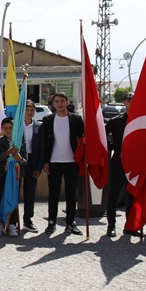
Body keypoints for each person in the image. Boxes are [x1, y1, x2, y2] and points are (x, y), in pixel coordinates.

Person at [40, 92, 84, 235]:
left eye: (62, 101)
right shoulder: (47, 120)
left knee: (71, 194)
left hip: (72, 162)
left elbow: (83, 139)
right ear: (53, 104)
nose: (59, 104)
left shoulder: (76, 119)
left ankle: (70, 222)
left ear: (67, 103)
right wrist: (45, 161)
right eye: (57, 101)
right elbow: (45, 143)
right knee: (54, 194)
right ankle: (51, 222)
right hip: (54, 162)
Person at [103, 94, 134, 238]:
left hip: (134, 163)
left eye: (133, 100)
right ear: (124, 102)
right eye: (128, 100)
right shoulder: (116, 121)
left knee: (132, 194)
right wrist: (113, 146)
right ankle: (111, 225)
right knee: (113, 194)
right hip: (119, 161)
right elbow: (102, 135)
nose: (131, 102)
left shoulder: (140, 121)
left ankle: (130, 225)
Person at [0, 117, 26, 236]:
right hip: (2, 174)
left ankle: (12, 225)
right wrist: (8, 153)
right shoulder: (0, 142)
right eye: (5, 128)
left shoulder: (20, 141)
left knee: (13, 198)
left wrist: (20, 159)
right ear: (2, 129)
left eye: (10, 128)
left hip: (16, 176)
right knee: (0, 198)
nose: (8, 130)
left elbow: (25, 160)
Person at [22, 101, 44, 232]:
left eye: (32, 110)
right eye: (27, 110)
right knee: (13, 190)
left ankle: (28, 220)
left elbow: (42, 148)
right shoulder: (16, 125)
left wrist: (39, 167)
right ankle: (12, 220)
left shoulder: (39, 127)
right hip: (19, 160)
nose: (30, 112)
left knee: (30, 193)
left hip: (32, 162)